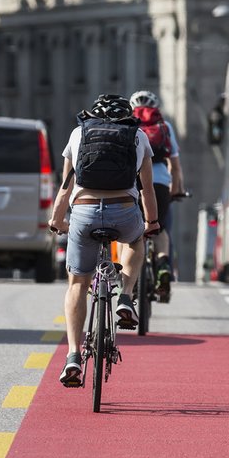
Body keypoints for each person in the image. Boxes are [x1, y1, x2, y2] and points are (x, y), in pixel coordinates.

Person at [48, 94, 160, 387]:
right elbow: (147, 188)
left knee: (77, 283)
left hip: (84, 212)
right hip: (123, 210)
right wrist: (152, 223)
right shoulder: (138, 135)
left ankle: (73, 356)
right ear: (126, 115)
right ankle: (126, 296)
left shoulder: (78, 133)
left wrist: (57, 220)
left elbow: (65, 186)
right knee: (135, 241)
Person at [128, 90, 185, 299]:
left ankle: (132, 276)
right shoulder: (165, 126)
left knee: (132, 232)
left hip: (133, 182)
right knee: (159, 228)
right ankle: (162, 264)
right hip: (160, 183)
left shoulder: (127, 125)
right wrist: (176, 190)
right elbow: (175, 166)